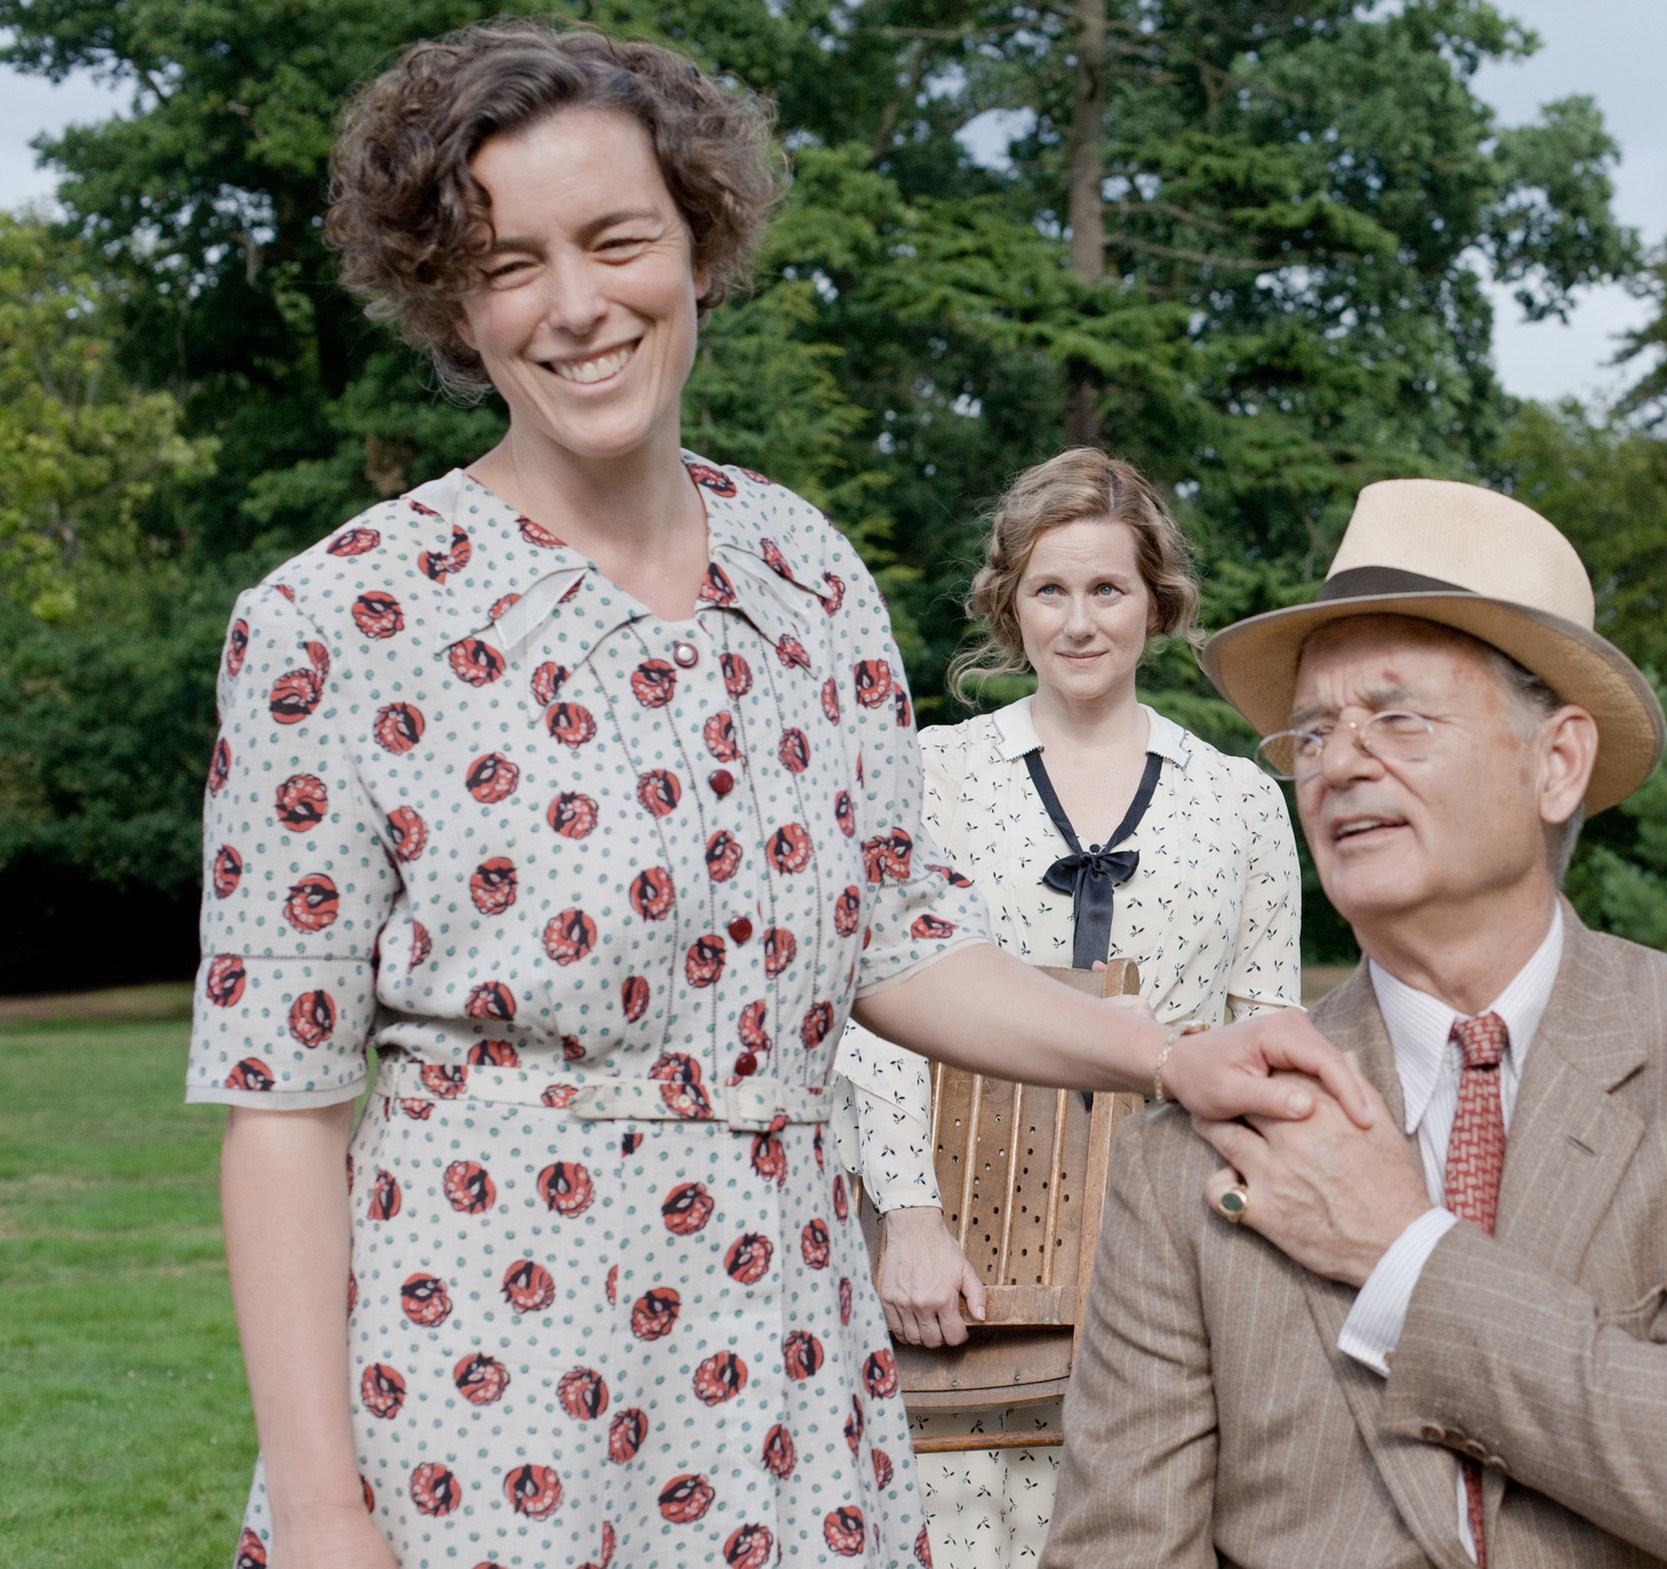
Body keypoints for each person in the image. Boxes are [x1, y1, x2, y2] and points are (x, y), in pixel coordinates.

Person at [186, 22, 1370, 1569]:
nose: (576, 306)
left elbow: (894, 935)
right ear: (445, 292)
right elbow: (280, 1107)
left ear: (699, 238)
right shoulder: (334, 623)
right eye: (509, 262)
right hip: (481, 1403)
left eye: (619, 239)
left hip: (789, 1379)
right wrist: (330, 1513)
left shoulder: (806, 576)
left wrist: (1172, 1058)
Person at [1044, 478, 1667, 1568]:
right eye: (1313, 732)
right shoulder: (1193, 1147)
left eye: (1395, 718)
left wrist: (1402, 1253)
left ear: (1556, 762)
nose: (1338, 762)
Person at [828, 449, 1301, 1566]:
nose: (1078, 621)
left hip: (1164, 1250)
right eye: (1049, 590)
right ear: (1008, 602)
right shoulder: (928, 775)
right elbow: (873, 1007)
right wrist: (908, 1216)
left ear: (1156, 602)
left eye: (1106, 590)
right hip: (956, 1255)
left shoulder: (1236, 801)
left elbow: (1265, 1037)